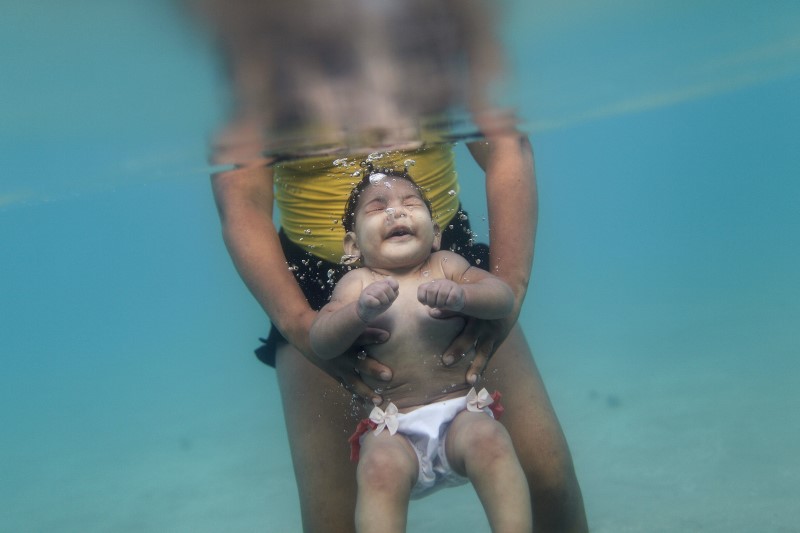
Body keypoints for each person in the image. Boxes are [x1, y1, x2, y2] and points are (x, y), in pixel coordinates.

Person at [201, 1, 588, 530]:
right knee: (332, 517)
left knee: (546, 477)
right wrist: (303, 327)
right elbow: (240, 199)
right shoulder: (262, 44)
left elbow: (505, 146)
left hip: (445, 263)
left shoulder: (432, 25)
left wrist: (510, 288)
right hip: (315, 288)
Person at [309, 168, 531, 532]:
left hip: (463, 414)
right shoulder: (356, 284)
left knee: (492, 442)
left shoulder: (446, 265)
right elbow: (321, 340)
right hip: (394, 428)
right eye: (378, 208)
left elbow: (503, 298)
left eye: (410, 204)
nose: (397, 213)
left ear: (436, 234)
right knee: (378, 469)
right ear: (352, 247)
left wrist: (464, 295)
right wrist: (357, 313)